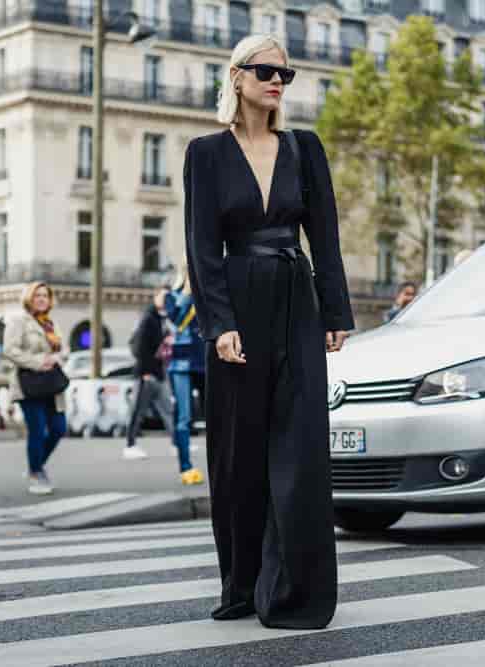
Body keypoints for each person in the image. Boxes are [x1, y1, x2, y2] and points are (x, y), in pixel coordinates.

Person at [184, 34, 354, 630]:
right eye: (265, 70)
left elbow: (324, 236)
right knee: (237, 452)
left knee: (300, 448)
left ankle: (296, 591)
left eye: (285, 72)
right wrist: (219, 324)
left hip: (296, 299)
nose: (277, 80)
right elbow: (201, 248)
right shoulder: (205, 154)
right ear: (236, 77)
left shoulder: (305, 149)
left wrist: (336, 314)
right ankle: (241, 584)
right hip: (238, 303)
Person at [3, 282, 68, 496]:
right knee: (38, 429)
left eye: (45, 296)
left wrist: (59, 357)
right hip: (28, 383)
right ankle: (36, 472)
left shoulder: (50, 323)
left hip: (51, 384)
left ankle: (35, 464)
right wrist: (39, 361)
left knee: (58, 428)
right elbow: (10, 350)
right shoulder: (18, 321)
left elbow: (63, 349)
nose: (41, 299)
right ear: (29, 299)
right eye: (37, 295)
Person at [122, 289, 179, 465]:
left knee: (168, 409)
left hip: (159, 373)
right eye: (163, 296)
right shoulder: (148, 318)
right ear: (155, 298)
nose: (167, 299)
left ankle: (177, 443)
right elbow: (139, 346)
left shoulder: (166, 318)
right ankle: (130, 445)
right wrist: (145, 371)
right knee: (137, 410)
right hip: (146, 373)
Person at [164, 266, 206, 485]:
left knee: (219, 417)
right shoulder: (171, 296)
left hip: (206, 362)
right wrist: (189, 295)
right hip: (181, 364)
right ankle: (186, 467)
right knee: (184, 417)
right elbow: (176, 321)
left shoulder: (208, 290)